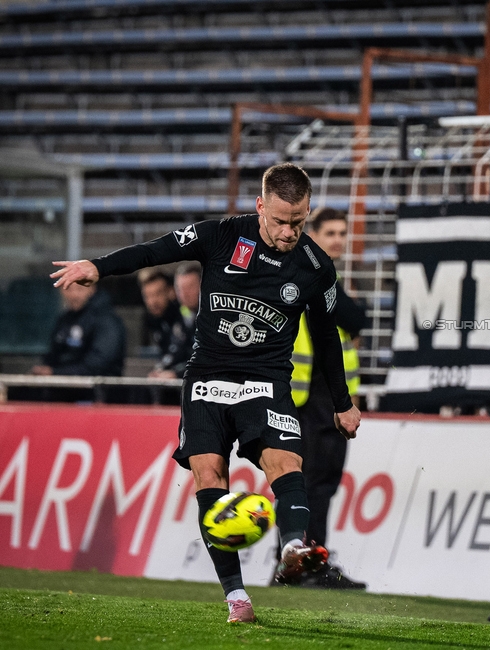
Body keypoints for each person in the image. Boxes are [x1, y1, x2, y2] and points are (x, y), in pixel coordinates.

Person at [50, 163, 362, 624]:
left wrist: (342, 403)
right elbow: (156, 250)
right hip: (207, 381)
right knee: (209, 475)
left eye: (297, 222)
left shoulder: (316, 267)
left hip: (266, 382)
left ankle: (294, 545)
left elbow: (328, 336)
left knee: (286, 462)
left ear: (307, 212)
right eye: (279, 221)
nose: (288, 231)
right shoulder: (220, 236)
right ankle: (236, 597)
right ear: (260, 206)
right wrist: (99, 266)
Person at [287, 207, 368, 589]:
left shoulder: (322, 275)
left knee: (320, 485)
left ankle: (311, 562)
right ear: (312, 234)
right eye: (330, 232)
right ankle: (298, 564)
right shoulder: (307, 271)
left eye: (342, 233)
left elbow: (354, 318)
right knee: (306, 483)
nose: (338, 240)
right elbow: (353, 317)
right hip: (305, 399)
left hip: (328, 399)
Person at [32, 281, 126, 378]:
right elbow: (53, 354)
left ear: (92, 289)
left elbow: (98, 364)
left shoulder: (107, 321)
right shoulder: (64, 319)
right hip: (64, 386)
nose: (74, 295)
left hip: (98, 389)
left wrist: (55, 372)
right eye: (68, 289)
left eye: (80, 289)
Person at [138, 268, 191, 379]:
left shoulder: (187, 316)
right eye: (148, 296)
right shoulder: (155, 321)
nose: (153, 301)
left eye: (158, 294)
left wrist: (176, 374)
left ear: (171, 292)